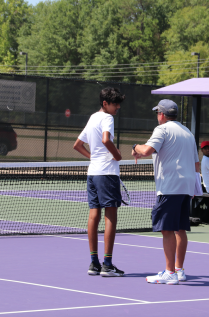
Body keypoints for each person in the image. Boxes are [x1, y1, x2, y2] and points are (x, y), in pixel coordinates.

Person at [132, 99, 199, 285]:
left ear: (161, 114)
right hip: (186, 186)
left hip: (170, 186)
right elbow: (196, 163)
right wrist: (195, 186)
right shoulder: (188, 133)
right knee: (180, 228)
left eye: (157, 113)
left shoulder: (162, 129)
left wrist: (134, 148)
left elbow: (146, 150)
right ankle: (179, 270)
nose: (157, 116)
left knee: (167, 229)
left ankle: (169, 272)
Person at [73, 87, 125, 277]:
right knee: (111, 216)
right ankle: (108, 264)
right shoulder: (107, 118)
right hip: (107, 174)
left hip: (93, 174)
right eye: (115, 103)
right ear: (105, 104)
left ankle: (94, 263)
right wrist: (117, 154)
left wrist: (93, 158)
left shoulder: (93, 117)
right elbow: (105, 140)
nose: (118, 107)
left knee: (93, 215)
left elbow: (77, 145)